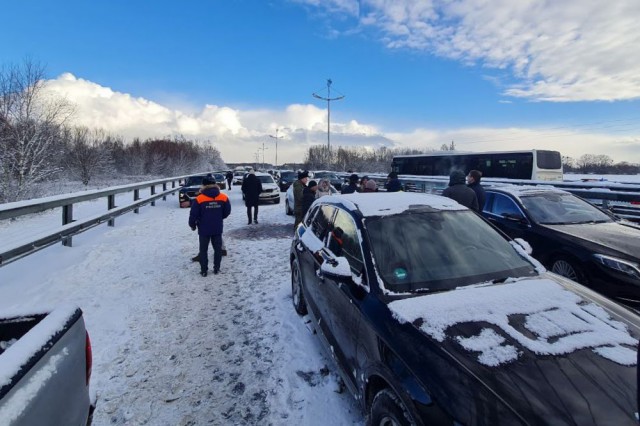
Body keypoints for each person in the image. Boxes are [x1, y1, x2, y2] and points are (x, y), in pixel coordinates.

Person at [188, 175, 231, 276]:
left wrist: (192, 225)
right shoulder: (223, 197)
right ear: (215, 184)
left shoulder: (199, 199)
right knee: (217, 249)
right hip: (217, 228)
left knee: (203, 250)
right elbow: (227, 211)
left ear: (203, 185)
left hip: (203, 229)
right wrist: (219, 217)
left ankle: (204, 270)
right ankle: (216, 268)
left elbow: (193, 214)